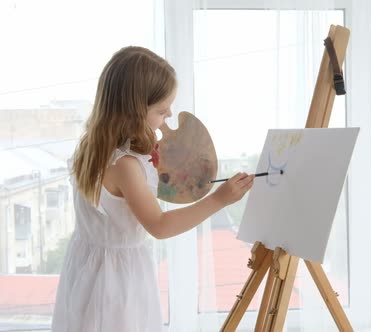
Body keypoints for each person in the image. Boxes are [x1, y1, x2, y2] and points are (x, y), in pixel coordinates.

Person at [51, 46, 254, 332]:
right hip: (117, 281)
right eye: (161, 110)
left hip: (88, 269)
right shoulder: (125, 166)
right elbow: (159, 226)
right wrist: (219, 200)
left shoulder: (92, 147)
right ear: (133, 110)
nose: (169, 113)